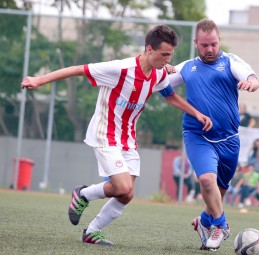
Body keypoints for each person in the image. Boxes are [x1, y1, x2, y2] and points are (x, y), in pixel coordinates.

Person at [20, 25, 213, 245]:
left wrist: (197, 113)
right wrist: (38, 80)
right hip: (105, 133)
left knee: (126, 194)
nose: (168, 61)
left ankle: (92, 231)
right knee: (122, 187)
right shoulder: (120, 69)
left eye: (170, 55)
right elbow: (77, 69)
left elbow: (170, 97)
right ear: (149, 49)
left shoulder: (158, 74)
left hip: (127, 139)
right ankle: (83, 195)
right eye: (164, 55)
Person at [167, 18, 259, 250]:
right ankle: (221, 225)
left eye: (214, 44)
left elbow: (251, 77)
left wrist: (250, 82)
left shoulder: (230, 61)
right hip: (197, 135)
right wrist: (160, 71)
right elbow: (160, 85)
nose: (210, 49)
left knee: (217, 193)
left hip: (229, 139)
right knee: (206, 180)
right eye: (205, 45)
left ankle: (204, 221)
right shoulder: (187, 67)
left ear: (219, 42)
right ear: (197, 43)